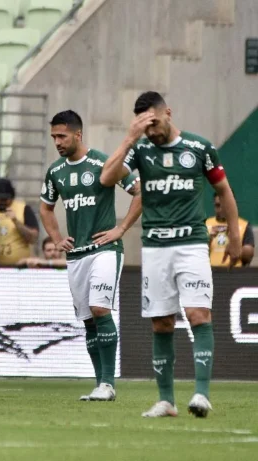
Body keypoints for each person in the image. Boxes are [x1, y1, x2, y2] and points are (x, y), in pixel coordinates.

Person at [100, 91, 241, 418]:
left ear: (168, 113)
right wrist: (129, 138)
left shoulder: (199, 148)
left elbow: (224, 191)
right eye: (144, 126)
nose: (151, 131)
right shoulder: (141, 150)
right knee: (161, 322)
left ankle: (202, 394)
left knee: (197, 315)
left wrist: (234, 237)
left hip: (191, 244)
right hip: (155, 249)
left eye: (154, 123)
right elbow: (107, 178)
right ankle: (166, 401)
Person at [40, 110, 142, 401]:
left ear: (78, 134)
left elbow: (140, 192)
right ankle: (101, 385)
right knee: (88, 320)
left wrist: (121, 228)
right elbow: (45, 207)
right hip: (77, 256)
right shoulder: (56, 171)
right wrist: (57, 239)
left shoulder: (102, 162)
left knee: (100, 310)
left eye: (62, 136)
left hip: (105, 250)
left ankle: (108, 383)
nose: (57, 142)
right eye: (54, 137)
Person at [0, 178, 39, 265]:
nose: (3, 202)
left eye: (6, 198)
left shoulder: (24, 209)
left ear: (11, 196)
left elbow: (33, 238)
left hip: (20, 266)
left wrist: (16, 221)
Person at [206, 193, 254, 267]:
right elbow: (195, 254)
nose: (221, 209)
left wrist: (234, 241)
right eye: (218, 205)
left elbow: (248, 258)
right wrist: (208, 239)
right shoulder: (205, 224)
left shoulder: (244, 225)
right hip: (208, 271)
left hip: (234, 272)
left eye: (225, 205)